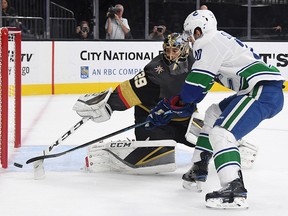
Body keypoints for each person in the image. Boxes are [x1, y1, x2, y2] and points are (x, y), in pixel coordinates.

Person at [147, 9, 285, 209]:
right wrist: (177, 105)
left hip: (262, 91)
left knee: (222, 133)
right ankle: (199, 166)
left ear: (198, 30)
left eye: (189, 34)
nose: (190, 40)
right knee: (213, 113)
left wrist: (173, 106)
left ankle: (234, 189)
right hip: (257, 91)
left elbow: (195, 87)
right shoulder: (218, 42)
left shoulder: (208, 41)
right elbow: (200, 89)